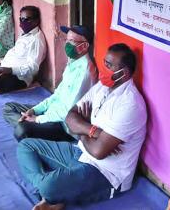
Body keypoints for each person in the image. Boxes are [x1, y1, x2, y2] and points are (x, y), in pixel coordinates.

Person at [17, 43, 147, 210]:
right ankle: (53, 195)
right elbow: (70, 116)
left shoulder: (131, 104)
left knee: (49, 186)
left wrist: (80, 130)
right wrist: (92, 130)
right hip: (81, 152)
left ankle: (52, 192)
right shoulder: (102, 87)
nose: (103, 67)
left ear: (124, 73)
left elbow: (99, 152)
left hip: (106, 173)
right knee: (26, 146)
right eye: (104, 62)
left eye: (109, 65)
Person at [3, 25, 98, 142]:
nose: (67, 44)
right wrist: (34, 111)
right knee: (9, 107)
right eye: (67, 40)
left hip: (62, 124)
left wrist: (38, 119)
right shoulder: (73, 63)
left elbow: (67, 112)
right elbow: (56, 96)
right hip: (50, 112)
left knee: (22, 130)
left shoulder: (85, 72)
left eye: (72, 41)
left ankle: (27, 125)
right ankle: (26, 122)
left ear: (84, 46)